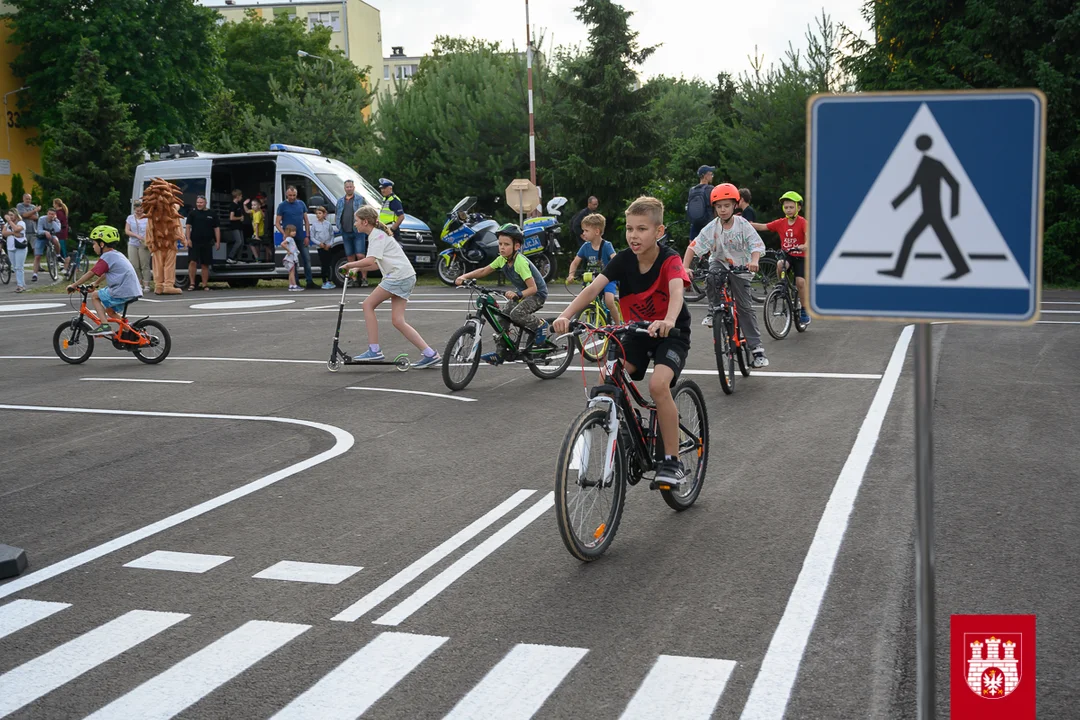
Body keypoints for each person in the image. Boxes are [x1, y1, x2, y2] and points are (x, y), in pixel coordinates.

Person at [553, 196, 692, 488]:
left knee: (658, 385)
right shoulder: (623, 260)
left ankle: (672, 460)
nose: (633, 235)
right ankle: (628, 432)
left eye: (642, 229)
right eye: (629, 228)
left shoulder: (670, 259)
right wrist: (565, 315)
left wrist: (668, 320)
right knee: (607, 377)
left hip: (671, 333)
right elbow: (593, 289)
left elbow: (677, 292)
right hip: (636, 332)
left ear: (659, 231)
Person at [341, 205, 441, 369]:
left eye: (356, 221)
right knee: (398, 321)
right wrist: (358, 268)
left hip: (398, 277)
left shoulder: (377, 236)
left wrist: (350, 264)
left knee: (368, 305)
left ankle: (374, 350)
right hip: (404, 276)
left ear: (365, 222)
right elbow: (375, 264)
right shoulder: (377, 235)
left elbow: (370, 260)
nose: (355, 224)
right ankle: (430, 354)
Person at [683, 183, 769, 368]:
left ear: (735, 205)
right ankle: (714, 309)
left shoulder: (742, 224)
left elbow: (755, 245)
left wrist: (754, 261)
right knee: (712, 276)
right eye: (719, 206)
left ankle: (757, 349)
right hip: (720, 262)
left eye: (727, 205)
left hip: (741, 267)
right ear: (714, 207)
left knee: (745, 308)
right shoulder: (712, 227)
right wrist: (685, 267)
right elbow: (693, 247)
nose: (722, 210)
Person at [454, 223, 549, 365]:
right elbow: (483, 271)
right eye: (500, 244)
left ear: (516, 246)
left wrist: (517, 294)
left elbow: (533, 288)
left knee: (516, 314)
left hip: (536, 295)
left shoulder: (520, 262)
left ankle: (540, 325)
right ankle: (501, 353)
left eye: (506, 244)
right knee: (502, 318)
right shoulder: (502, 259)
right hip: (522, 294)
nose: (502, 247)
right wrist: (464, 277)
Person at [66, 225, 143, 336]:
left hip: (123, 290)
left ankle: (104, 326)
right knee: (109, 311)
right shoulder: (116, 254)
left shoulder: (107, 257)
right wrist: (96, 283)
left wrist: (74, 285)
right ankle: (130, 331)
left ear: (102, 244)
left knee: (95, 296)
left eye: (94, 243)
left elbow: (91, 273)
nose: (93, 246)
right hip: (132, 290)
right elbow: (107, 272)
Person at [750, 191, 809, 325]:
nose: (788, 210)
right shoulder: (781, 223)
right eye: (786, 207)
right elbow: (764, 226)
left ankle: (805, 310)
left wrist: (805, 245)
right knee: (780, 264)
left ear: (798, 208)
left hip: (801, 256)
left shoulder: (803, 222)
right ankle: (782, 285)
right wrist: (748, 224)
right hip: (787, 254)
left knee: (800, 282)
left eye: (791, 207)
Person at [566, 212, 622, 324]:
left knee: (609, 301)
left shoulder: (606, 245)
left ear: (597, 232)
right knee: (584, 300)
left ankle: (618, 325)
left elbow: (615, 259)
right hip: (592, 278)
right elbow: (575, 262)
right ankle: (590, 317)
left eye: (586, 230)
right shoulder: (585, 246)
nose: (583, 233)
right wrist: (571, 275)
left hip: (607, 279)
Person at [275, 185, 315, 289]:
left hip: (301, 236)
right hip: (289, 238)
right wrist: (283, 233)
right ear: (286, 195)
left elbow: (306, 220)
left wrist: (307, 235)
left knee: (307, 258)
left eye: (294, 195)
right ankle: (295, 282)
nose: (292, 197)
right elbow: (277, 222)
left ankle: (309, 281)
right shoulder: (282, 206)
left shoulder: (301, 204)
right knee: (293, 260)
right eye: (290, 195)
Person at [335, 179, 369, 286]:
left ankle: (364, 278)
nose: (349, 188)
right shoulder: (340, 201)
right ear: (344, 188)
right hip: (345, 231)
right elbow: (337, 214)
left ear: (354, 188)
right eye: (347, 187)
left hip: (358, 231)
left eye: (351, 186)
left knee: (360, 256)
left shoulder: (360, 199)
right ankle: (353, 279)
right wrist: (339, 226)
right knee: (350, 257)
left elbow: (365, 212)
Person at [184, 195, 220, 290]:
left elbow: (216, 228)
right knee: (192, 262)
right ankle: (192, 284)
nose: (199, 204)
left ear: (205, 203)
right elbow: (188, 226)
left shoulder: (212, 213)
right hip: (194, 242)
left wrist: (218, 241)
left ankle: (205, 284)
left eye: (201, 202)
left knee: (205, 264)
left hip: (207, 242)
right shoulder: (192, 213)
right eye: (198, 202)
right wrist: (188, 239)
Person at [125, 200, 152, 292]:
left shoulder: (147, 218)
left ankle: (147, 284)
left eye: (140, 210)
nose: (139, 212)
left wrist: (147, 239)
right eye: (137, 211)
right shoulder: (130, 218)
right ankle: (138, 283)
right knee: (134, 264)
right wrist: (136, 235)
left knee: (144, 264)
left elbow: (151, 230)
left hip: (144, 243)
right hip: (133, 242)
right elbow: (127, 230)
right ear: (134, 210)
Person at [686, 166, 715, 241]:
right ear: (705, 175)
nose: (712, 176)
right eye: (711, 174)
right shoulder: (710, 189)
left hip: (695, 223)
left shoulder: (692, 190)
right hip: (708, 223)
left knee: (693, 247)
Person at [3, 207, 28, 292]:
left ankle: (20, 286)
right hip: (10, 247)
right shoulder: (7, 224)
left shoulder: (21, 223)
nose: (10, 217)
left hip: (20, 247)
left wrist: (10, 222)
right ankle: (22, 284)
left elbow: (17, 229)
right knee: (15, 267)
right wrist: (13, 233)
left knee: (19, 267)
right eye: (9, 215)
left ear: (16, 215)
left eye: (11, 215)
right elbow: (4, 233)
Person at [311, 206, 336, 289]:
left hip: (328, 246)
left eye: (320, 213)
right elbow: (312, 237)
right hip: (320, 247)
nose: (318, 215)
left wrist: (330, 244)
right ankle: (324, 281)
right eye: (317, 213)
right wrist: (319, 243)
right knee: (323, 264)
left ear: (324, 214)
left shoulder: (328, 224)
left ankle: (329, 280)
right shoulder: (314, 225)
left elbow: (332, 235)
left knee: (329, 264)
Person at [281, 225, 302, 291]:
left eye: (295, 231)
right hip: (291, 258)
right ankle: (294, 285)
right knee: (292, 273)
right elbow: (282, 244)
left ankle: (291, 285)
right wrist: (288, 250)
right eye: (292, 231)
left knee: (290, 272)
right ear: (288, 232)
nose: (294, 232)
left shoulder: (290, 238)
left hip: (292, 257)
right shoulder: (289, 238)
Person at [227, 189, 245, 262]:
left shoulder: (238, 205)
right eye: (241, 196)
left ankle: (239, 259)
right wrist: (240, 217)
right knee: (238, 241)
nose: (241, 197)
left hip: (239, 226)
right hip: (235, 227)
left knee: (242, 242)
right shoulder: (233, 205)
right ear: (237, 196)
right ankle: (230, 257)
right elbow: (231, 217)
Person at [53, 198, 70, 275]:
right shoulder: (63, 211)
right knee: (62, 248)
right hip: (63, 232)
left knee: (62, 249)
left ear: (56, 204)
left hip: (60, 233)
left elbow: (58, 223)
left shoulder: (58, 212)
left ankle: (66, 265)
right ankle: (64, 265)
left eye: (53, 203)